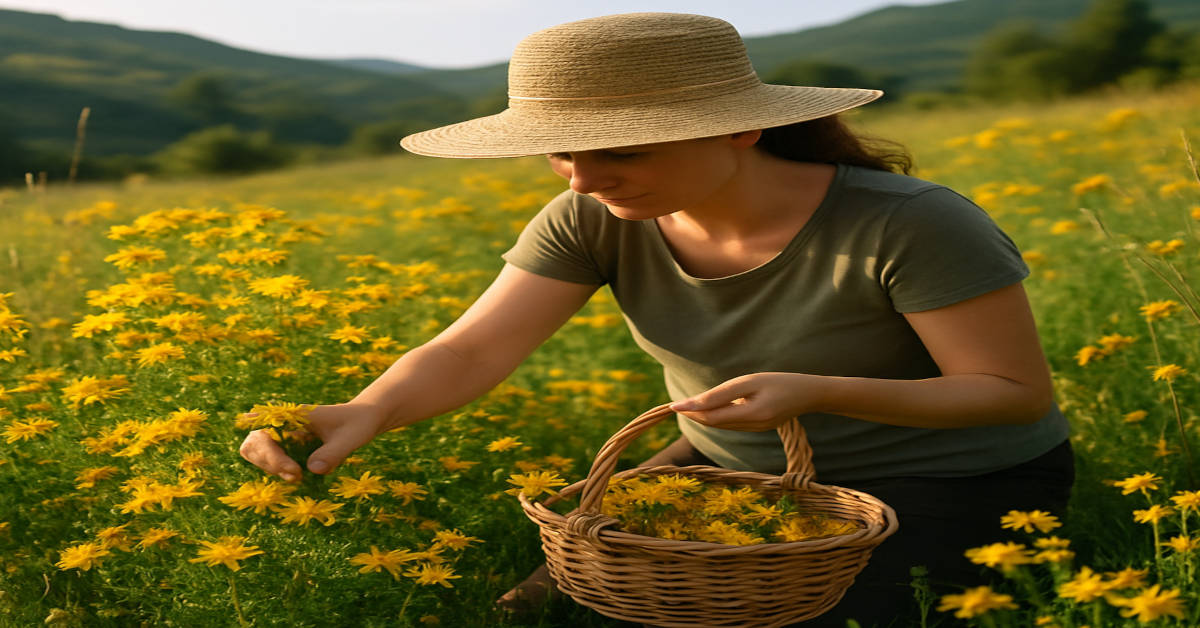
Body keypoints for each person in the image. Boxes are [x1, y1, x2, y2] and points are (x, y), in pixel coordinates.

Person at [238, 12, 1073, 627]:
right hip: (724, 470)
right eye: (561, 151)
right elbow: (468, 349)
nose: (580, 181)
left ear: (742, 126)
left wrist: (813, 391)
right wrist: (369, 409)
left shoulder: (910, 222)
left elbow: (1009, 393)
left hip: (953, 479)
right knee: (536, 614)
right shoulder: (591, 218)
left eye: (620, 151)